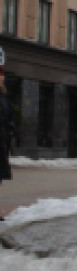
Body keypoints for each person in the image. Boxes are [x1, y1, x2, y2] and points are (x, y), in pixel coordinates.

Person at [0, 64, 12, 221]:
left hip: (1, 143)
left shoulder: (3, 97)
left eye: (2, 74)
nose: (2, 78)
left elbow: (7, 118)